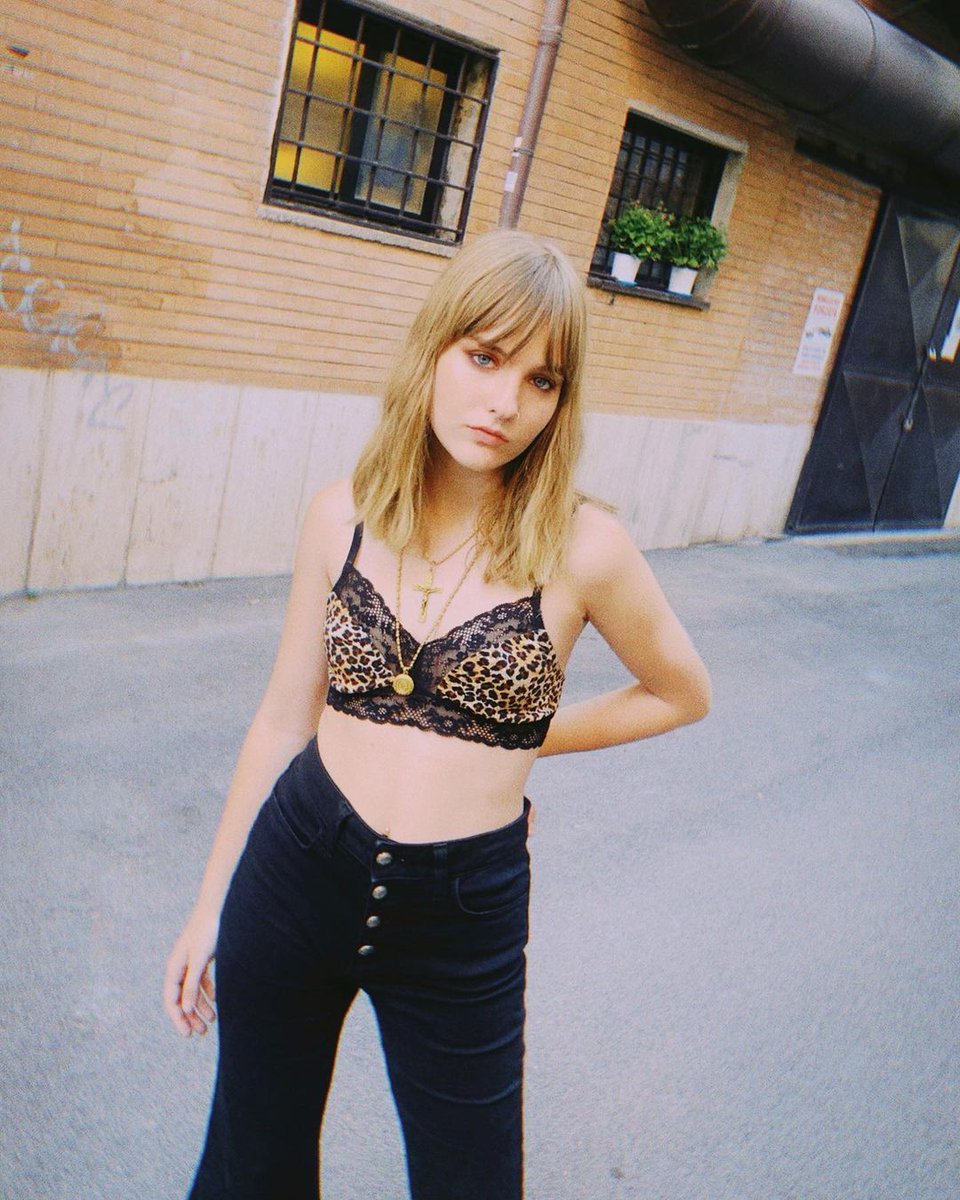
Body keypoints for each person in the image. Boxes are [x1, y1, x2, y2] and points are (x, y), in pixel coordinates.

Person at [164, 229, 711, 1200]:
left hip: (462, 913)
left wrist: (519, 737)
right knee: (252, 1167)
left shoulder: (585, 548)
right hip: (295, 867)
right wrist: (211, 903)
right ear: (434, 348)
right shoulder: (341, 516)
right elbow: (283, 721)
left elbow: (681, 692)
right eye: (485, 357)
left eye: (541, 380)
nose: (505, 402)